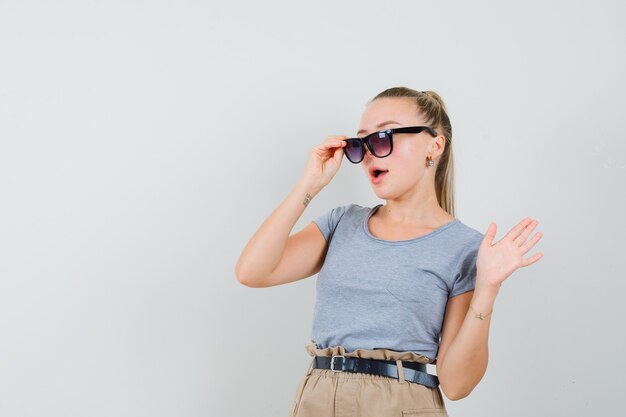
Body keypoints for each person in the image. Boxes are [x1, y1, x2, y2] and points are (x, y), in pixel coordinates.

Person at [235, 86, 544, 417]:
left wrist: (487, 289)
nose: (369, 153)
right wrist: (310, 183)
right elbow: (252, 272)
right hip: (318, 398)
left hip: (401, 403)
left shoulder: (465, 248)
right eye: (360, 143)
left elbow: (456, 385)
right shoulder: (342, 223)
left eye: (383, 138)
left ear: (434, 145)